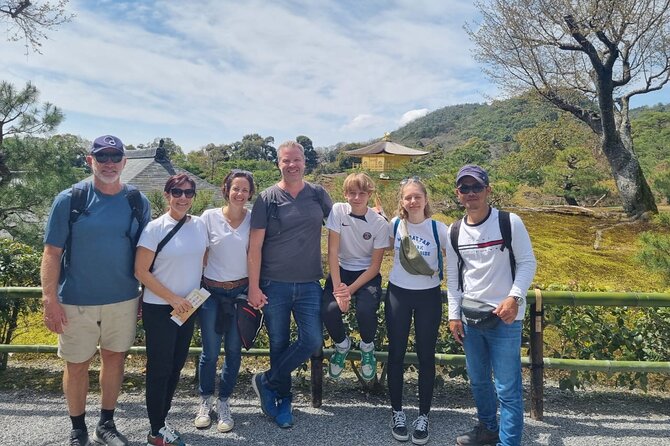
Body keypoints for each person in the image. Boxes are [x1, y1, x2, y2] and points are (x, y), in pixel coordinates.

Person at [41, 135, 151, 446]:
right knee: (76, 365)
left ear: (124, 162)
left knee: (115, 359)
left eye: (115, 157)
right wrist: (49, 298)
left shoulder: (136, 201)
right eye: (102, 157)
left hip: (124, 297)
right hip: (76, 299)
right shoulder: (70, 199)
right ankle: (78, 429)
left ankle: (106, 423)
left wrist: (146, 291)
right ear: (91, 160)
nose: (109, 163)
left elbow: (146, 251)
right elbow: (51, 251)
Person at [447, 165, 536, 446]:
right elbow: (453, 277)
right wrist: (453, 314)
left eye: (476, 187)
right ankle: (487, 428)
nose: (471, 193)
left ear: (488, 190)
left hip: (505, 318)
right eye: (465, 188)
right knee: (478, 382)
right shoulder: (455, 231)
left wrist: (514, 297)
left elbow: (527, 262)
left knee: (507, 388)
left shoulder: (509, 223)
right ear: (458, 194)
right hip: (471, 319)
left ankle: (508, 443)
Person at [247, 140, 332, 428]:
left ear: (305, 162)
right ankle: (284, 400)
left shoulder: (318, 194)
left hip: (309, 282)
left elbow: (342, 225)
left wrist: (378, 220)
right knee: (278, 344)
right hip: (274, 283)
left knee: (312, 339)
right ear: (278, 164)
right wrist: (254, 287)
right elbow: (255, 247)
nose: (292, 165)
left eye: (297, 160)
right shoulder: (267, 198)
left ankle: (266, 380)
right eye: (286, 161)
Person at [135, 174, 208, 446]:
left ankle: (161, 422)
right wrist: (173, 298)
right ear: (167, 195)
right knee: (159, 368)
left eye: (189, 193)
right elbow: (140, 271)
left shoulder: (199, 225)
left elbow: (203, 257)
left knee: (176, 366)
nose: (183, 198)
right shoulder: (155, 228)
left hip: (187, 308)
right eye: (177, 192)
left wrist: (190, 296)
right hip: (160, 308)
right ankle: (155, 430)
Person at [386, 177, 448, 445]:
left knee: (426, 355)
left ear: (425, 199)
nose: (412, 201)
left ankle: (423, 415)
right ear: (402, 201)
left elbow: (457, 261)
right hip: (398, 292)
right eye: (407, 197)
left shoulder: (439, 228)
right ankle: (397, 413)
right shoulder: (395, 224)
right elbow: (378, 247)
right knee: (396, 353)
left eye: (417, 197)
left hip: (429, 296)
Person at [194, 169, 256, 433]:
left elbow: (257, 257)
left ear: (251, 193)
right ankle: (205, 399)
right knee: (209, 353)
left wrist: (255, 288)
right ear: (226, 190)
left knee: (233, 351)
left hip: (240, 293)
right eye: (235, 188)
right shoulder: (208, 217)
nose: (239, 194)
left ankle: (224, 402)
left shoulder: (254, 220)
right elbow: (199, 252)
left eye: (245, 190)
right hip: (210, 293)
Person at [321, 172, 389, 381]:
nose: (357, 198)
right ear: (345, 194)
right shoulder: (338, 211)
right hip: (340, 269)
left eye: (361, 193)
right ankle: (342, 345)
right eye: (352, 193)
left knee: (366, 309)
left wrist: (349, 291)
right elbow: (332, 251)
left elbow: (375, 266)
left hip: (366, 273)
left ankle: (367, 348)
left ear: (369, 194)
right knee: (328, 309)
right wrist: (338, 288)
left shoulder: (379, 222)